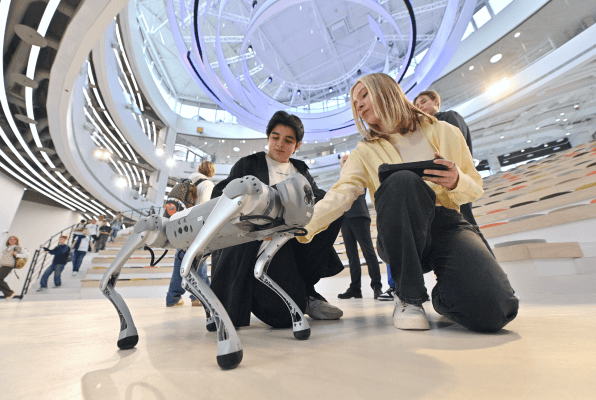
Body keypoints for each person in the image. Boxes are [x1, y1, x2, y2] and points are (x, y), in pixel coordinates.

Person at [298, 73, 519, 332]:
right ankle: (408, 297)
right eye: (355, 103)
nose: (359, 105)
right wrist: (302, 226)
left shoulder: (444, 130)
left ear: (387, 90)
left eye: (364, 95)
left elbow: (475, 187)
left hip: (447, 225)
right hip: (398, 230)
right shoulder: (364, 151)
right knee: (401, 180)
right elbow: (340, 194)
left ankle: (445, 296)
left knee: (496, 311)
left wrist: (456, 179)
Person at [209, 110, 344, 329]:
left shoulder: (300, 170)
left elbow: (317, 202)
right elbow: (221, 196)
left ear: (297, 145)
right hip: (257, 243)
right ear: (268, 137)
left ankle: (306, 293)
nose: (280, 144)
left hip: (294, 242)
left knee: (330, 203)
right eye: (275, 137)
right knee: (283, 318)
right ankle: (302, 299)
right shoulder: (248, 164)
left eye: (288, 140)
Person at [377, 90, 496, 303]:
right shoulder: (418, 132)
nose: (420, 106)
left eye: (424, 101)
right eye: (417, 103)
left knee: (467, 230)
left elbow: (455, 155)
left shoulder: (447, 120)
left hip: (452, 188)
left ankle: (489, 278)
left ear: (436, 102)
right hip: (439, 190)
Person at [166, 160, 216, 308]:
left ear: (199, 169)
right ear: (211, 172)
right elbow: (204, 207)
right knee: (199, 261)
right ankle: (199, 297)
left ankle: (173, 297)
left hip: (180, 227)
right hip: (195, 228)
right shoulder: (207, 184)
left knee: (180, 261)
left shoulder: (186, 182)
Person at [337, 154, 383, 300]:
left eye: (348, 160)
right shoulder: (340, 180)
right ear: (341, 165)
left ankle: (377, 287)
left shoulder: (359, 175)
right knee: (351, 256)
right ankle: (355, 288)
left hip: (360, 217)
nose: (346, 162)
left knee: (369, 253)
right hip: (345, 219)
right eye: (344, 161)